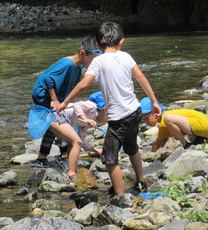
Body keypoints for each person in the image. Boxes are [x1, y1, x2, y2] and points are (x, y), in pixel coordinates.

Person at [56, 22, 161, 196]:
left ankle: (119, 197)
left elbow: (84, 84)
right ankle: (140, 180)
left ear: (97, 44)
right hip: (135, 111)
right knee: (132, 147)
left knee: (110, 159)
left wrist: (65, 102)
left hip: (119, 117)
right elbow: (141, 78)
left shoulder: (98, 61)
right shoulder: (126, 56)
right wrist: (154, 101)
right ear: (121, 41)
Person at [31, 36, 102, 169]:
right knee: (58, 123)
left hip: (59, 96)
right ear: (82, 53)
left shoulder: (78, 67)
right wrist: (54, 99)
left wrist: (72, 104)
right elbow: (47, 79)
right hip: (44, 96)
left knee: (57, 124)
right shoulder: (67, 64)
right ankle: (58, 156)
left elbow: (74, 87)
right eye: (92, 60)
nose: (93, 64)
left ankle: (46, 157)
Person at [49, 91, 108, 178]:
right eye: (110, 115)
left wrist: (97, 150)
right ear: (105, 109)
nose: (109, 119)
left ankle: (72, 169)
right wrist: (85, 118)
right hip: (57, 116)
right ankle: (71, 173)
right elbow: (77, 105)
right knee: (76, 142)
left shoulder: (90, 121)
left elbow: (83, 141)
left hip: (60, 120)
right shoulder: (92, 106)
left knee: (74, 143)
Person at [140, 97, 208, 152]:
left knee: (168, 118)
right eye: (143, 120)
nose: (146, 123)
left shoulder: (165, 119)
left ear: (156, 113)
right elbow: (163, 140)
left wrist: (151, 157)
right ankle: (198, 139)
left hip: (203, 126)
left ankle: (185, 144)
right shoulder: (165, 122)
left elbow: (156, 144)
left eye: (146, 118)